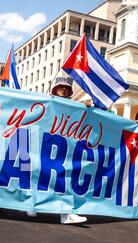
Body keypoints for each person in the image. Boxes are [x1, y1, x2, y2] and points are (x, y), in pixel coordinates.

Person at [49, 77, 89, 225]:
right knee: (38, 177)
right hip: (44, 147)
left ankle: (66, 214)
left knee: (64, 180)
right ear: (55, 89)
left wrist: (85, 106)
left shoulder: (74, 106)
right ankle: (32, 206)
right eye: (60, 87)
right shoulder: (48, 101)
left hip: (63, 151)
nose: (63, 90)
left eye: (66, 88)